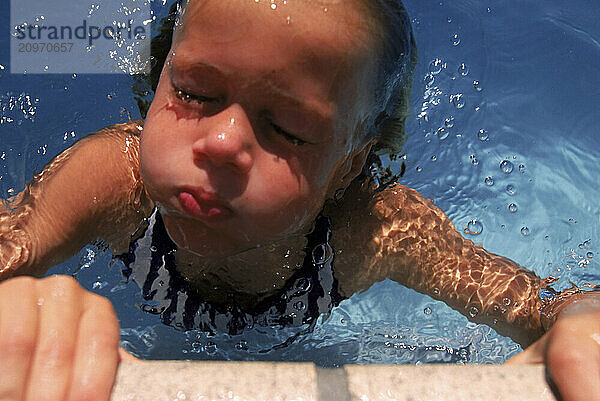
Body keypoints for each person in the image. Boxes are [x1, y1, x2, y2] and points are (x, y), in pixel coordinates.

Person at [0, 0, 599, 400]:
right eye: (193, 90)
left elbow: (538, 306)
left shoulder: (370, 230)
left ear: (347, 168)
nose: (221, 142)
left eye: (287, 129)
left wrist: (583, 324)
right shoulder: (114, 179)